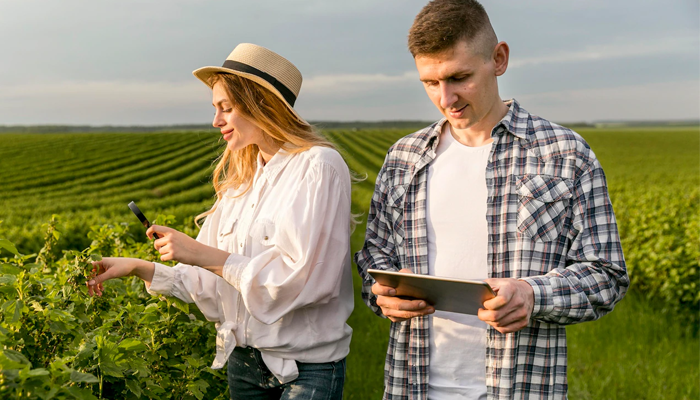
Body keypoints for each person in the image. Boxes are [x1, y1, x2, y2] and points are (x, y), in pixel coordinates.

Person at [354, 1, 629, 399]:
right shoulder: (404, 158)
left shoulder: (565, 153)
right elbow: (374, 260)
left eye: (458, 77)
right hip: (412, 387)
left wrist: (534, 295)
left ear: (498, 59)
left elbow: (606, 274)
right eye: (430, 83)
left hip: (522, 387)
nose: (445, 98)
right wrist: (382, 295)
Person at [87, 43, 354, 400]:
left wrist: (205, 254)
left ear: (261, 104)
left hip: (305, 371)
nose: (216, 121)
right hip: (243, 365)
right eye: (216, 109)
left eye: (226, 108)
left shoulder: (317, 166)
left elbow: (302, 281)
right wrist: (139, 267)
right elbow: (212, 287)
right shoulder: (239, 185)